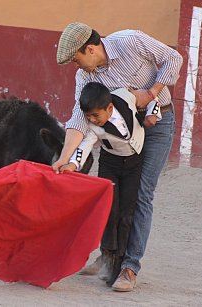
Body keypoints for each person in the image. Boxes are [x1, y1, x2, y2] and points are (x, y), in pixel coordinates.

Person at [53, 22, 183, 291]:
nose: (77, 67)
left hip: (157, 123)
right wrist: (65, 156)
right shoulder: (85, 78)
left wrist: (151, 93)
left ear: (90, 48)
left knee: (142, 194)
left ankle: (130, 267)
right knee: (114, 196)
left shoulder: (130, 41)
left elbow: (173, 58)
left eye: (77, 60)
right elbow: (79, 118)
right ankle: (110, 255)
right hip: (120, 138)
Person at [60, 82, 161, 286]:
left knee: (126, 214)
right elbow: (85, 145)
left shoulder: (125, 95)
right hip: (110, 165)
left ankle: (120, 262)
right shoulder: (93, 127)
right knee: (110, 212)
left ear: (109, 108)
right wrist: (72, 164)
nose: (91, 120)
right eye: (88, 116)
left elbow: (151, 98)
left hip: (134, 164)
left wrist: (153, 114)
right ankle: (107, 256)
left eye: (95, 115)